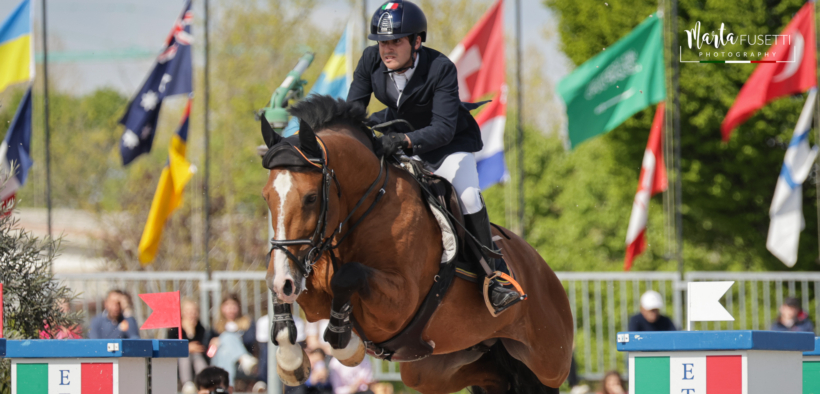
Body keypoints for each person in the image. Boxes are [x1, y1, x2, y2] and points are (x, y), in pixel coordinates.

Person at [346, 0, 520, 314]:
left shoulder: (440, 68)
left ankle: (495, 277)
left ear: (416, 41)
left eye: (395, 41)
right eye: (383, 42)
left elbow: (441, 129)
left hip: (446, 147)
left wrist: (402, 140)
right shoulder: (370, 60)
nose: (387, 49)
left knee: (467, 196)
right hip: (398, 139)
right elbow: (353, 113)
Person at [205, 294, 258, 388]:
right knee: (225, 340)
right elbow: (209, 350)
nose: (230, 309)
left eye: (233, 305)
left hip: (237, 363)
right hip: (218, 360)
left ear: (239, 307)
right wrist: (214, 342)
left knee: (226, 344)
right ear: (222, 308)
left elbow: (250, 342)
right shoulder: (216, 326)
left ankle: (226, 387)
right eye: (227, 305)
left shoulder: (247, 322)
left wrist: (228, 339)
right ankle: (243, 359)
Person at [168, 298, 208, 393]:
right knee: (185, 355)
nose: (191, 314)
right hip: (180, 360)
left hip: (197, 358)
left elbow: (200, 346)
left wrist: (191, 333)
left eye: (194, 311)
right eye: (188, 311)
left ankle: (205, 382)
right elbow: (172, 346)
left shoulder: (200, 328)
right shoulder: (174, 329)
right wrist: (186, 348)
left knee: (197, 357)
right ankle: (187, 384)